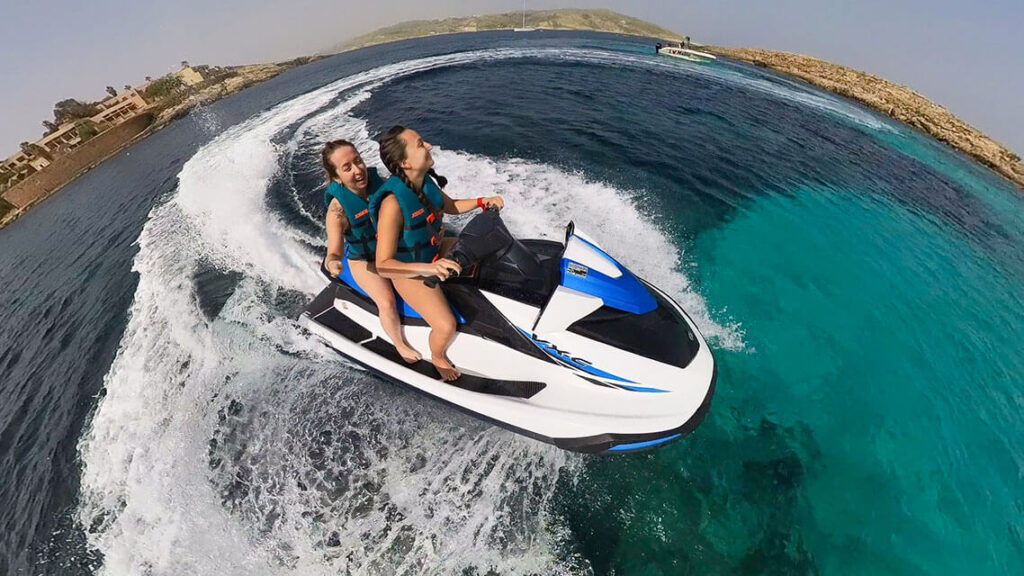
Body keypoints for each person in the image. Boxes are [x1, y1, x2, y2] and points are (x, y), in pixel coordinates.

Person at [370, 126, 503, 381]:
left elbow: (450, 206)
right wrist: (429, 268)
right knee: (446, 325)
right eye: (421, 144)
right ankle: (438, 356)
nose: (429, 146)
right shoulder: (392, 204)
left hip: (433, 253)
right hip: (410, 271)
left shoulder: (423, 182)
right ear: (405, 163)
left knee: (484, 251)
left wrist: (481, 201)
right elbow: (383, 265)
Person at [321, 139, 421, 363]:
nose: (358, 170)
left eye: (358, 161)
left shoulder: (380, 185)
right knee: (387, 302)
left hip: (392, 248)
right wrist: (333, 263)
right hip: (365, 260)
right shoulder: (337, 211)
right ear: (337, 177)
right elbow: (334, 252)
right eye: (347, 168)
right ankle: (399, 344)